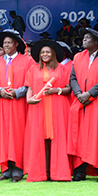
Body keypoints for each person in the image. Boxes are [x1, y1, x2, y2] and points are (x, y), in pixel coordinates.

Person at [24, 39, 73, 182]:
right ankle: (41, 172)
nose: (45, 54)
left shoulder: (62, 69)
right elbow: (30, 87)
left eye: (48, 52)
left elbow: (68, 88)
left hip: (57, 106)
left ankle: (57, 173)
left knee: (57, 138)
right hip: (38, 106)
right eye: (42, 52)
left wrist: (56, 90)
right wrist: (29, 99)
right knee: (41, 138)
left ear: (53, 54)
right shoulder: (33, 69)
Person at [0, 30, 33, 181]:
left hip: (18, 104)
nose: (6, 45)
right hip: (1, 104)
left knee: (18, 135)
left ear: (16, 44)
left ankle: (18, 168)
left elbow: (31, 83)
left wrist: (17, 92)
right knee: (2, 135)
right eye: (4, 43)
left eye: (9, 42)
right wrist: (0, 91)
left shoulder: (27, 61)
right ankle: (6, 168)